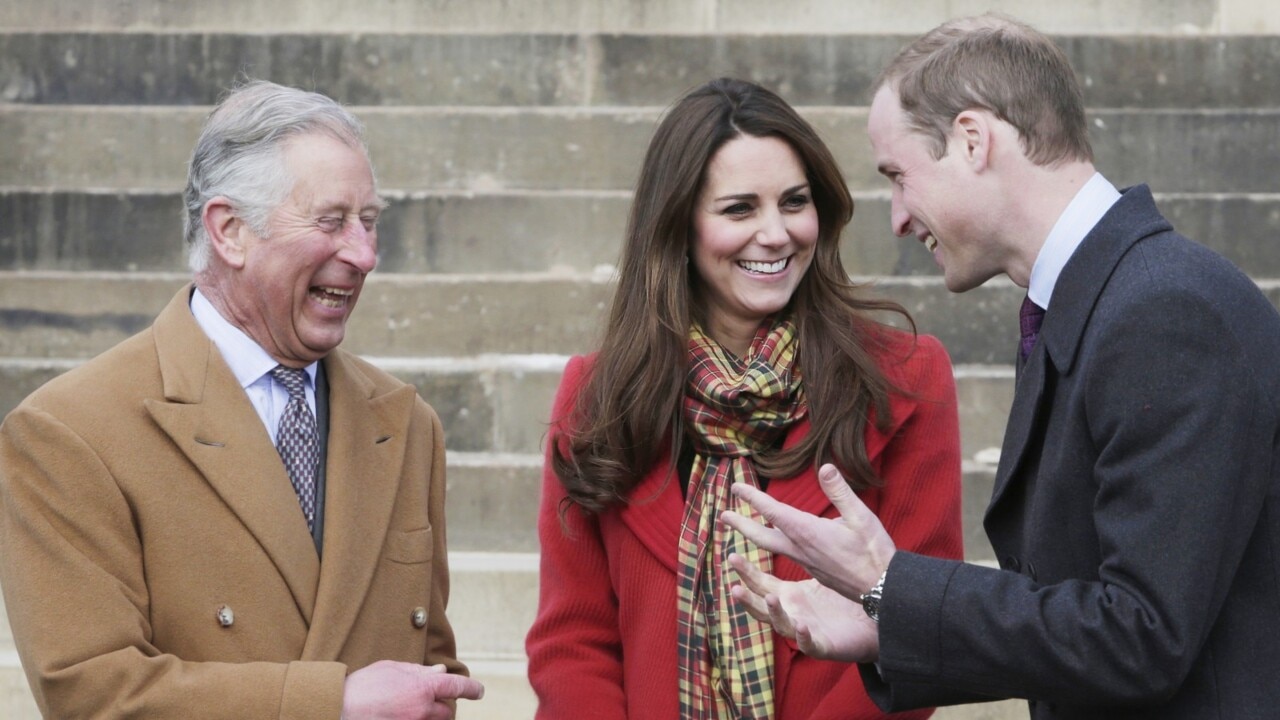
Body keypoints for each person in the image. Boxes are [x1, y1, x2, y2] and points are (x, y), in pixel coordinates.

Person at [722, 13, 1280, 720]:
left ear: (972, 139)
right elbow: (1090, 623)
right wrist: (888, 623)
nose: (895, 216)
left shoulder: (1164, 311)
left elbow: (1140, 639)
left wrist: (893, 586)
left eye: (898, 175)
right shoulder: (1106, 300)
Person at [0, 80, 484, 719]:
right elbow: (94, 695)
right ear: (230, 231)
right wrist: (329, 705)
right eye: (331, 221)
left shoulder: (406, 424)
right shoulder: (69, 430)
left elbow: (428, 663)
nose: (364, 255)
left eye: (369, 223)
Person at [524, 77, 963, 719]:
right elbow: (573, 642)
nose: (776, 233)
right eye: (738, 209)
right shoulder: (598, 397)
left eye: (794, 202)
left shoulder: (906, 379)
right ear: (679, 227)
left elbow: (919, 626)